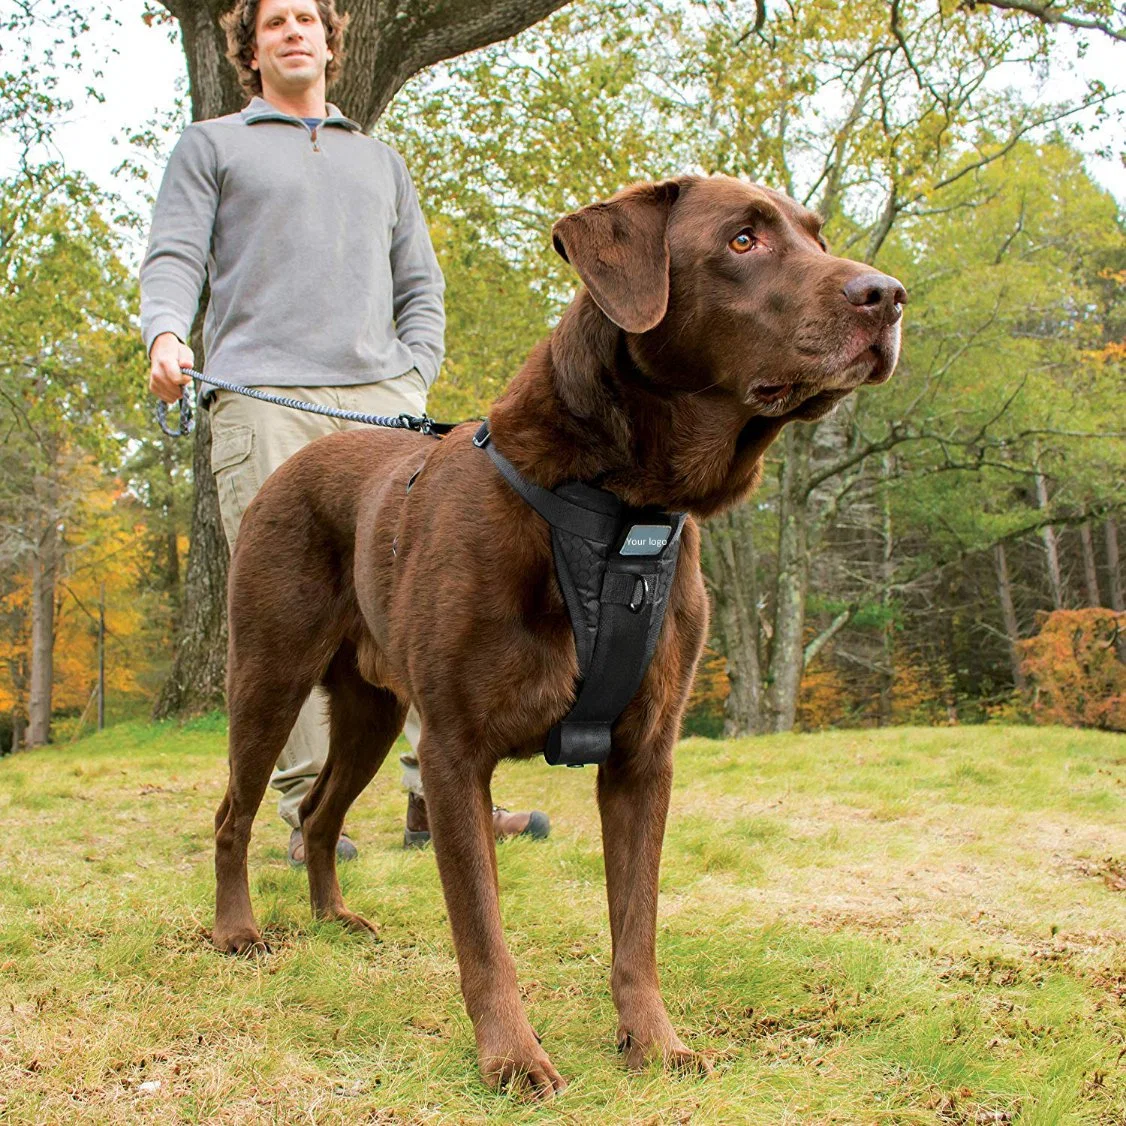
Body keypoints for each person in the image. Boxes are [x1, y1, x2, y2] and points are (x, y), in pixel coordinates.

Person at [141, 0, 549, 861]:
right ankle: (302, 814)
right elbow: (174, 255)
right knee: (285, 621)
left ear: (332, 39)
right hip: (262, 400)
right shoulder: (211, 146)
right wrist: (168, 334)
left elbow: (421, 285)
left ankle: (432, 799)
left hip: (380, 409)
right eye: (274, 21)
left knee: (430, 600)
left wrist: (410, 376)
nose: (293, 30)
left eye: (307, 18)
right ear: (249, 49)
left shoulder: (380, 161)